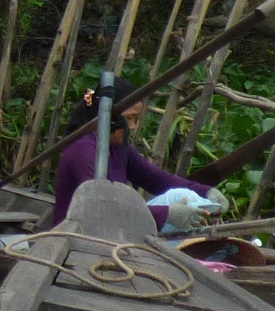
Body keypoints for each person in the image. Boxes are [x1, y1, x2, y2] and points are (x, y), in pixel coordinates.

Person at [47, 87, 221, 231]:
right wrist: (166, 214)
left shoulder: (118, 147)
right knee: (179, 206)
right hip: (83, 233)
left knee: (181, 195)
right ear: (110, 117)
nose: (133, 126)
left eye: (135, 119)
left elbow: (156, 179)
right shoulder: (83, 149)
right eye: (129, 118)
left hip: (116, 227)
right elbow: (101, 209)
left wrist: (206, 192)